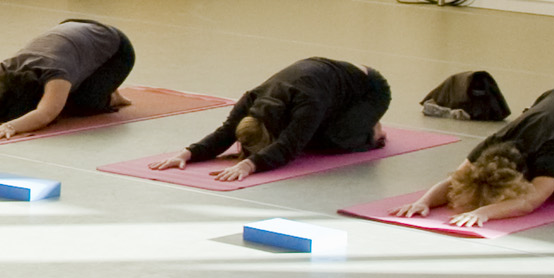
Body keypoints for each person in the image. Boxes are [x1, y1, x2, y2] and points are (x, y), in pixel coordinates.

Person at [410, 83, 554, 223]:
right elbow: (456, 180)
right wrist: (423, 202)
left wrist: (485, 212)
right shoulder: (493, 144)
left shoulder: (550, 152)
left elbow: (529, 202)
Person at [151, 58, 391, 184]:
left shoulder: (308, 102)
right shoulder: (252, 99)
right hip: (328, 91)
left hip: (369, 91)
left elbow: (288, 146)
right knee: (309, 134)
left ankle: (372, 130)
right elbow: (225, 132)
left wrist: (249, 165)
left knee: (329, 139)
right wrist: (188, 154)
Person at [0, 19, 135, 143]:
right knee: (63, 99)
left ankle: (112, 95)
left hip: (116, 49)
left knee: (81, 104)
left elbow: (45, 113)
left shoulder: (56, 75)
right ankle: (99, 84)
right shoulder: (8, 69)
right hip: (75, 32)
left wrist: (11, 126)